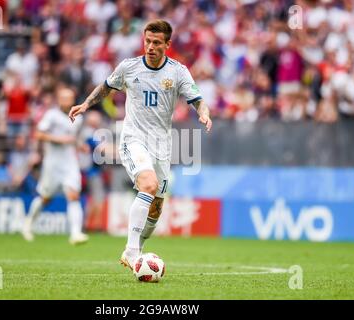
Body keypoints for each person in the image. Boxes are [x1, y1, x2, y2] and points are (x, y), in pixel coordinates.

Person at [69, 20, 212, 269]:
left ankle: (138, 248)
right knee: (148, 184)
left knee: (155, 208)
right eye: (147, 41)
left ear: (167, 45)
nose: (151, 46)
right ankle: (132, 252)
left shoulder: (178, 72)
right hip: (133, 138)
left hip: (162, 145)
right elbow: (106, 87)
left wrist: (204, 113)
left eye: (157, 42)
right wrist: (85, 104)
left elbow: (198, 99)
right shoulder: (129, 67)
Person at [22, 87, 88, 245]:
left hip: (70, 162)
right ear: (59, 100)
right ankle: (28, 223)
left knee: (73, 195)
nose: (66, 101)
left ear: (73, 100)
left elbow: (73, 139)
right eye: (63, 98)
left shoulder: (78, 118)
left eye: (69, 98)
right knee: (45, 198)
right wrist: (59, 139)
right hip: (52, 163)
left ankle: (75, 233)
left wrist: (80, 145)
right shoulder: (52, 115)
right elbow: (38, 134)